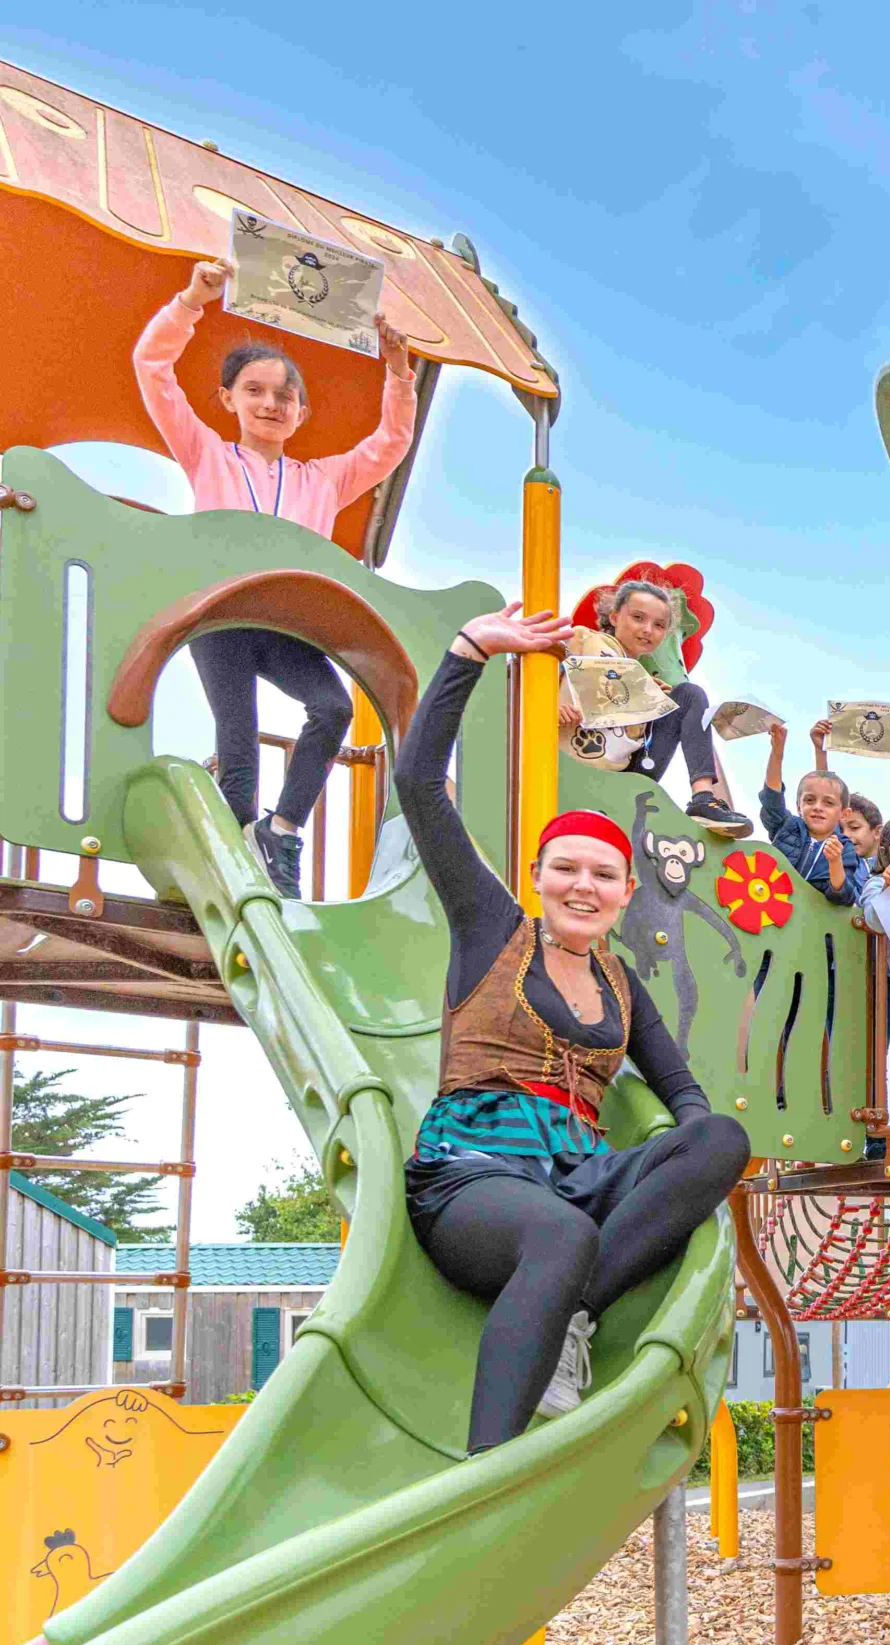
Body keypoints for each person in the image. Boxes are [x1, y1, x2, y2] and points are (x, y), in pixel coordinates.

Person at [394, 601, 753, 1455]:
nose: (583, 885)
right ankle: (486, 1469)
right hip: (476, 1175)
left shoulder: (619, 982)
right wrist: (470, 651)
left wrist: (676, 1154)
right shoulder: (493, 931)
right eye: (566, 869)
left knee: (723, 1138)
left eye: (603, 874)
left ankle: (572, 1313)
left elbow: (683, 1090)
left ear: (626, 892)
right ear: (537, 875)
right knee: (562, 1233)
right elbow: (418, 786)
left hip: (579, 1174)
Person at [133, 258, 417, 898]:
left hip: (288, 623)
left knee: (333, 707)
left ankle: (281, 831)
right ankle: (234, 877)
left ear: (301, 412)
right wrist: (191, 302)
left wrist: (398, 372)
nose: (270, 403)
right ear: (228, 399)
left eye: (285, 396)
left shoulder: (322, 479)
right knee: (238, 752)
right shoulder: (209, 454)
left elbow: (390, 443)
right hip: (225, 618)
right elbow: (152, 369)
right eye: (255, 390)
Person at [560, 581, 751, 838]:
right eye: (638, 618)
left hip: (623, 777)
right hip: (573, 762)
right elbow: (530, 669)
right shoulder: (586, 640)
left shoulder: (644, 682)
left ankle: (703, 799)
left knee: (689, 694)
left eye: (659, 625)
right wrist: (549, 707)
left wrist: (651, 701)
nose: (648, 630)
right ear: (614, 617)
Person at [756, 719, 874, 908]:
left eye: (828, 803)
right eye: (810, 800)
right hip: (769, 910)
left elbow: (843, 896)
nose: (818, 807)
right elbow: (772, 800)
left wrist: (835, 862)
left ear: (844, 814)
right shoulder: (788, 827)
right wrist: (777, 752)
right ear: (798, 806)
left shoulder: (845, 848)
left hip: (809, 921)